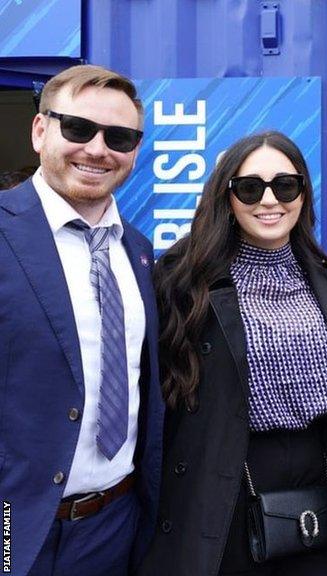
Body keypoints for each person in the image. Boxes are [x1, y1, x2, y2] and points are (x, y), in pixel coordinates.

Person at [139, 131, 327, 576]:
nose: (269, 200)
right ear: (227, 196)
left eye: (285, 185)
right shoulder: (183, 283)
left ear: (302, 193)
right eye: (249, 187)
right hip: (221, 484)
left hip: (318, 484)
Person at [0, 64, 163, 576]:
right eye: (78, 128)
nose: (97, 149)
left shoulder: (139, 253)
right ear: (40, 130)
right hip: (11, 523)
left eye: (119, 136)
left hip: (113, 527)